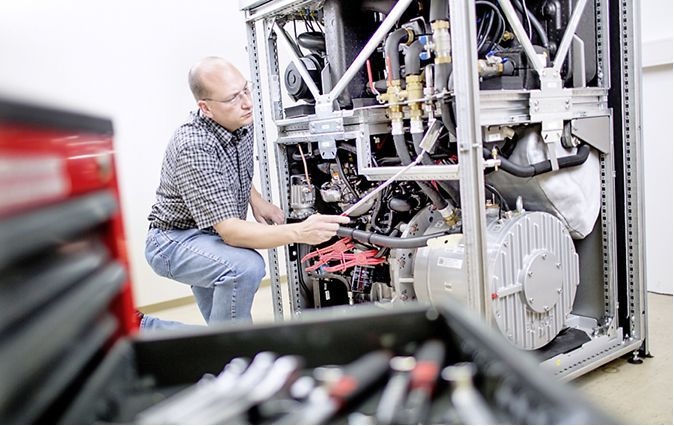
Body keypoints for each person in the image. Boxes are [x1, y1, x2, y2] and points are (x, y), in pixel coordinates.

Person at [139, 57, 349, 331]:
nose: (247, 103)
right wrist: (300, 231)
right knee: (244, 267)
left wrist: (256, 200)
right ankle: (145, 329)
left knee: (227, 334)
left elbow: (226, 170)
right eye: (232, 98)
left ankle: (231, 355)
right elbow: (232, 232)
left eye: (245, 90)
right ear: (206, 108)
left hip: (208, 236)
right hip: (173, 241)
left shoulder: (239, 122)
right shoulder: (194, 146)